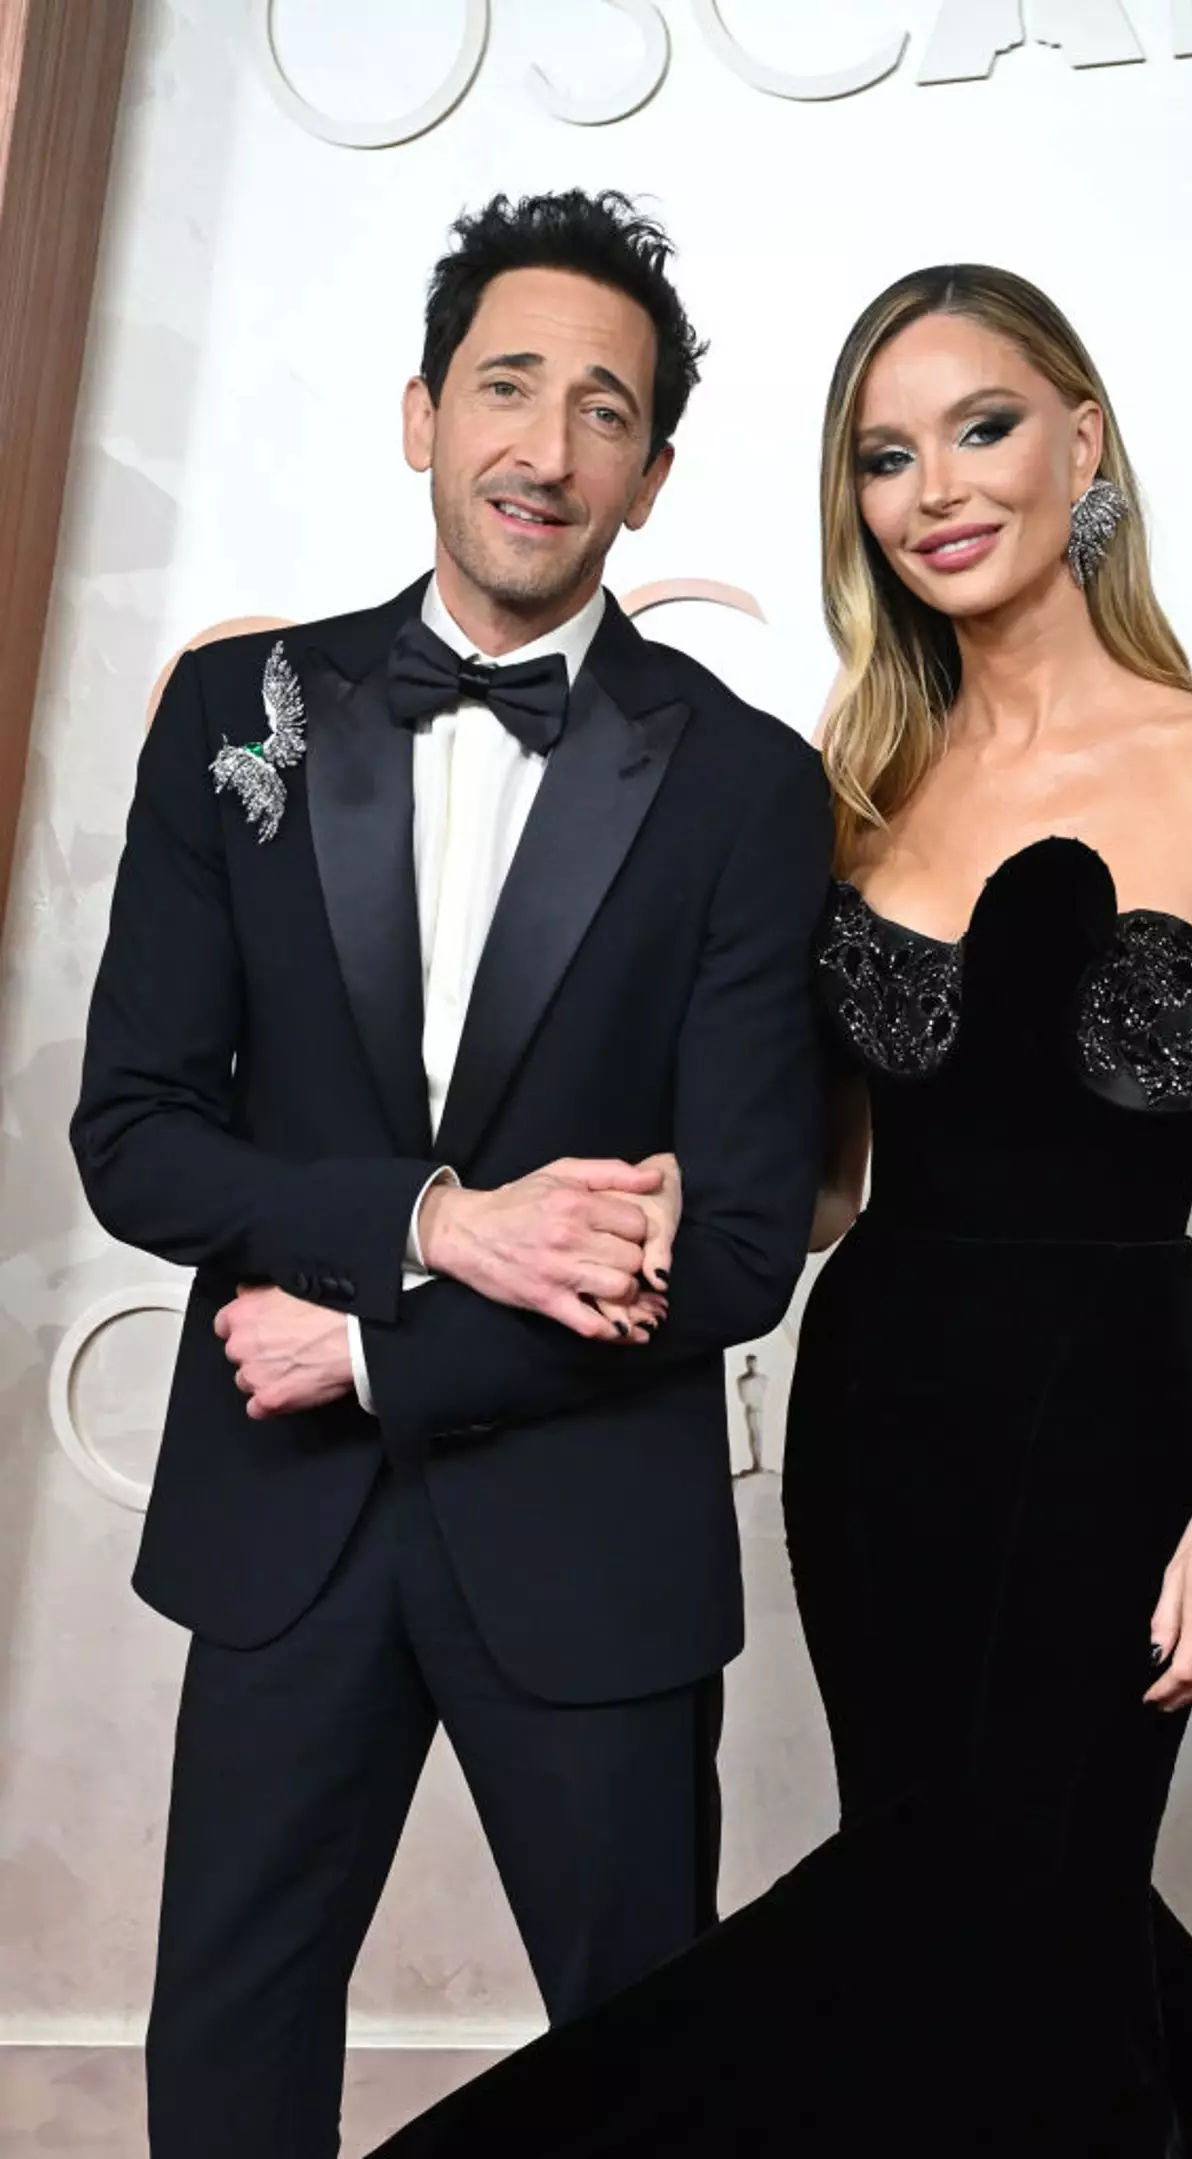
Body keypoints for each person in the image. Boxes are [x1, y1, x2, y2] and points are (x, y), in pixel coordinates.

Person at [370, 266, 1192, 2156]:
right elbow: (837, 1178)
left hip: (1114, 1439)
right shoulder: (857, 784)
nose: (936, 486)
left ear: (1082, 441)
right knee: (976, 1933)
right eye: (884, 455)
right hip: (879, 1435)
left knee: (1004, 1918)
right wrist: (625, 1199)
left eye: (983, 427)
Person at [69, 189, 833, 2159]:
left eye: (604, 410)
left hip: (590, 1529)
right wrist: (430, 1226)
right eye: (506, 385)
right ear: (420, 412)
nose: (545, 446)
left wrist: (384, 1348)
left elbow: (742, 1237)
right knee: (231, 2051)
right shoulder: (240, 719)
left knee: (658, 2064)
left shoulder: (748, 786)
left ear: (653, 476)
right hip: (282, 1526)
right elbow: (134, 1129)